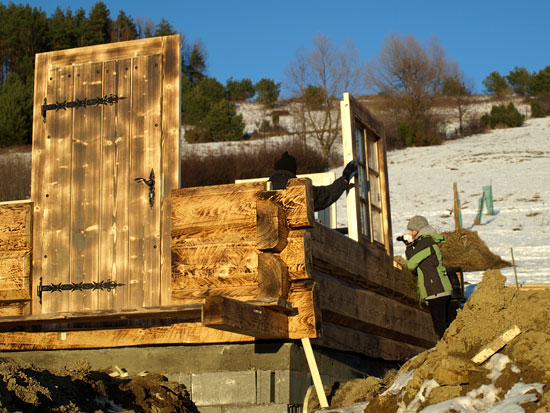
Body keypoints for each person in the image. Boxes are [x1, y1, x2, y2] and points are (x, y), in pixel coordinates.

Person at [404, 215, 457, 338]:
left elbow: (411, 264)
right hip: (442, 289)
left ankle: (449, 352)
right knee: (448, 325)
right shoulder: (429, 241)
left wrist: (408, 246)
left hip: (435, 290)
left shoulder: (425, 242)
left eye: (411, 230)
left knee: (441, 328)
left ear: (419, 230)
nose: (410, 233)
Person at [268, 151, 358, 211]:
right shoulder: (297, 189)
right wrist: (344, 179)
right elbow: (324, 196)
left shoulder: (263, 189)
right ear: (292, 170)